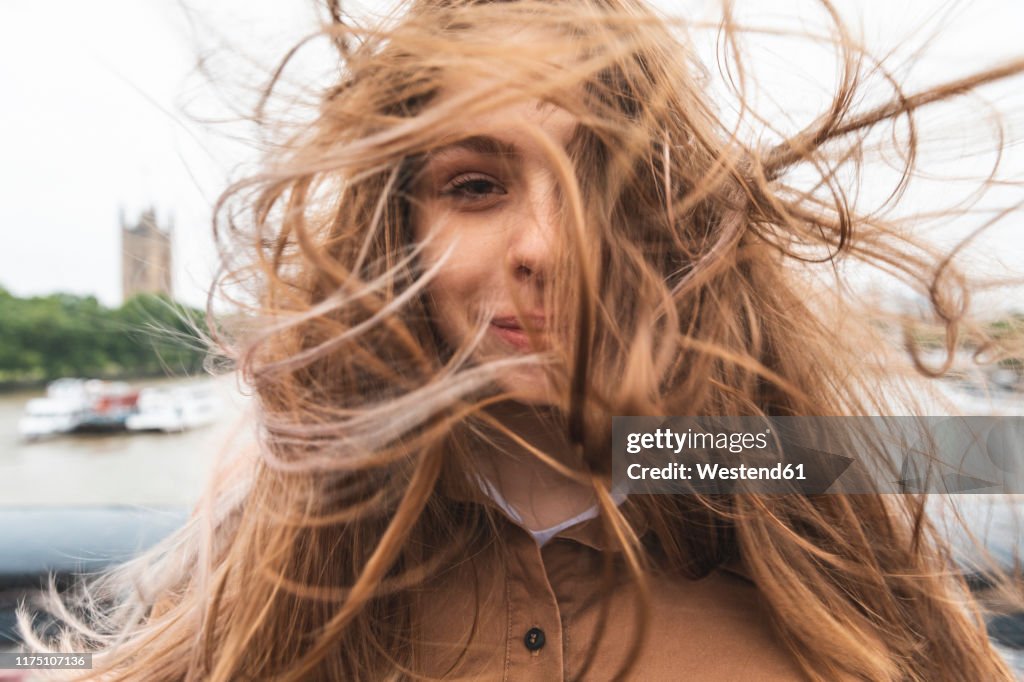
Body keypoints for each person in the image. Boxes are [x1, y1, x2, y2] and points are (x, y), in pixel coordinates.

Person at [20, 0, 1024, 679]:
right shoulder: (288, 550)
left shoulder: (776, 479)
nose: (546, 245)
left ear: (677, 220)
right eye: (475, 185)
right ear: (395, 227)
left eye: (605, 182)